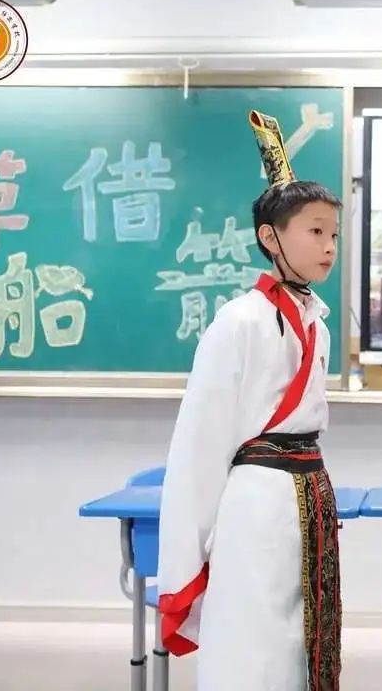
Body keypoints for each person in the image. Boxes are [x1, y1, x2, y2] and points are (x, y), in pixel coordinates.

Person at [156, 109, 342, 691]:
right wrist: (187, 553)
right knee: (254, 638)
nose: (329, 246)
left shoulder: (318, 323)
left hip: (311, 493)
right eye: (315, 232)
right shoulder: (237, 321)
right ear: (270, 238)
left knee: (309, 638)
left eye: (333, 234)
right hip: (257, 499)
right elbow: (200, 442)